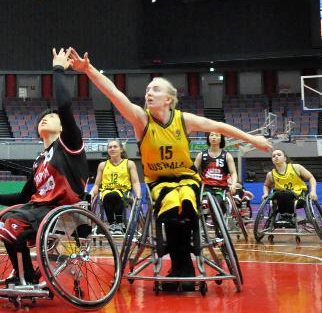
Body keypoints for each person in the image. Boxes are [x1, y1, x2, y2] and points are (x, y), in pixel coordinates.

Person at [69, 48, 271, 291]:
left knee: (185, 202)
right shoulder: (141, 120)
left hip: (187, 179)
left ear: (168, 99)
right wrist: (88, 69)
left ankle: (182, 266)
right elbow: (114, 94)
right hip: (160, 182)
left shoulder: (183, 119)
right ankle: (181, 267)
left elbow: (219, 126)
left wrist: (253, 139)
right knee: (174, 208)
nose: (148, 93)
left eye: (155, 89)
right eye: (146, 90)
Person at [0, 48, 88, 285]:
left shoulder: (70, 144)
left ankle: (25, 277)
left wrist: (58, 69)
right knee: (6, 224)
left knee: (12, 223)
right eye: (42, 119)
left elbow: (64, 107)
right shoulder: (40, 160)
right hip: (40, 210)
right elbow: (25, 195)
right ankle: (26, 275)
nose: (46, 118)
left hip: (63, 210)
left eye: (52, 117)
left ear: (63, 127)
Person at [89, 139, 141, 235]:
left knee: (114, 194)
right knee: (110, 194)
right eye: (110, 147)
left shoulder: (129, 163)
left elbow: (135, 182)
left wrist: (138, 195)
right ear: (108, 150)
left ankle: (119, 223)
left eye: (115, 146)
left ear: (121, 149)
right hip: (106, 192)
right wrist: (91, 194)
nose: (112, 149)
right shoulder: (102, 165)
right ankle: (112, 224)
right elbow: (96, 185)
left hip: (124, 192)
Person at [263, 149, 317, 224]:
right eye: (273, 156)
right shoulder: (270, 174)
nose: (276, 157)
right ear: (272, 160)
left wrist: (313, 191)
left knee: (287, 193)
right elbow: (266, 185)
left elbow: (311, 178)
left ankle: (288, 216)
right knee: (278, 193)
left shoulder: (296, 167)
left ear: (285, 158)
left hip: (299, 197)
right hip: (281, 199)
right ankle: (284, 216)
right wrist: (265, 193)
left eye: (279, 155)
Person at [194, 132, 238, 214]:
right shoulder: (201, 155)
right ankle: (202, 224)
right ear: (208, 138)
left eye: (217, 135)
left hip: (220, 188)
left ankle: (219, 223)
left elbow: (233, 173)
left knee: (217, 205)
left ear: (221, 139)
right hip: (205, 187)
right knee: (204, 204)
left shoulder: (227, 156)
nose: (214, 137)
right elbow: (193, 172)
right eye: (211, 135)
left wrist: (234, 184)